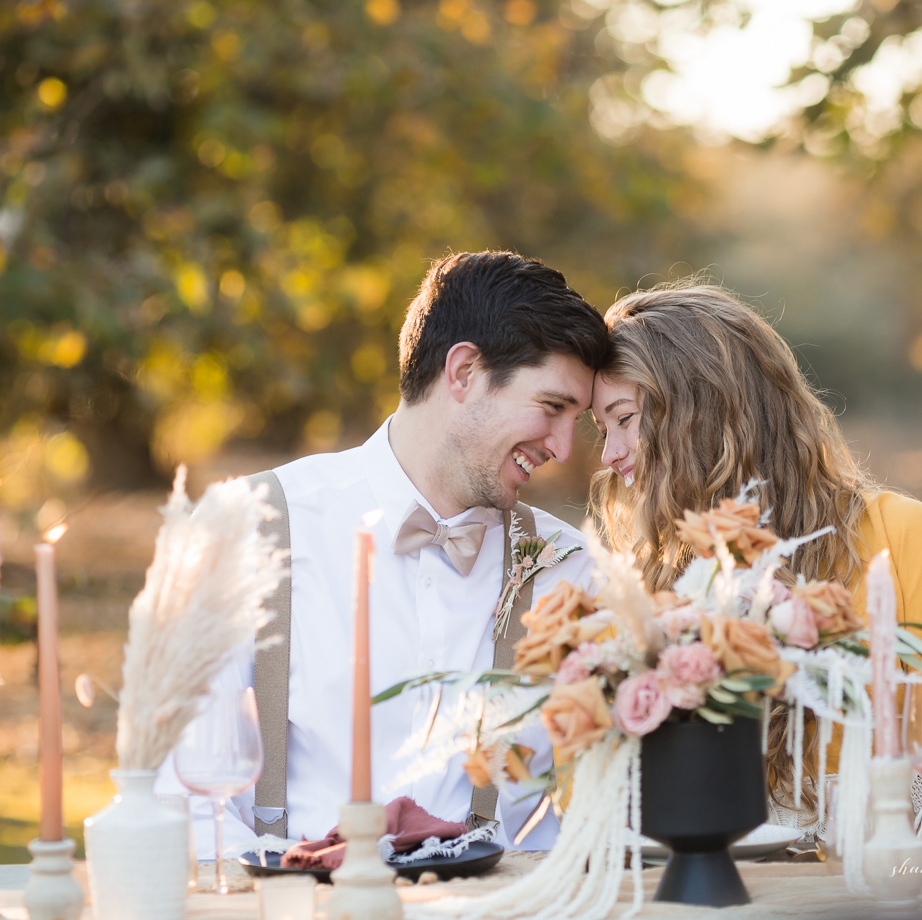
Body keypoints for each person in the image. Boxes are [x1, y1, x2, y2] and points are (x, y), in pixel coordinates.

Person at [163, 251, 611, 858]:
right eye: (552, 408)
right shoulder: (253, 528)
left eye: (576, 420)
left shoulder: (566, 565)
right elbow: (182, 792)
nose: (562, 446)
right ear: (463, 372)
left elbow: (605, 801)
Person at [584, 281, 922, 834]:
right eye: (602, 429)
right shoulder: (650, 590)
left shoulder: (900, 540)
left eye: (625, 418)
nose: (609, 456)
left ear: (704, 411)